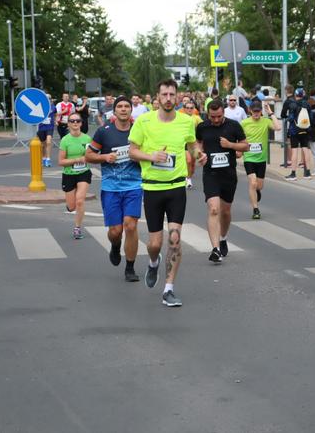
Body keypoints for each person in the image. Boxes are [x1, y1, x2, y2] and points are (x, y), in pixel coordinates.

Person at [128, 78, 205, 307]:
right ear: (157, 97)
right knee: (154, 243)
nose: (169, 99)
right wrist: (152, 156)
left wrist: (199, 153)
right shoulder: (144, 121)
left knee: (174, 239)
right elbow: (132, 151)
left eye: (172, 95)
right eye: (164, 95)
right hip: (152, 187)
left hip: (176, 187)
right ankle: (153, 262)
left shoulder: (186, 121)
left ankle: (168, 289)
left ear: (178, 96)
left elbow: (191, 144)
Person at [85, 96, 142, 282]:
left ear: (131, 110)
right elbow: (89, 155)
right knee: (116, 231)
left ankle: (130, 268)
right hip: (111, 187)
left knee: (131, 226)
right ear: (114, 111)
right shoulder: (104, 132)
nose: (124, 109)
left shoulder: (139, 130)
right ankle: (116, 246)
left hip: (134, 185)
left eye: (127, 106)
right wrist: (105, 158)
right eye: (120, 106)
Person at [196, 99, 248, 262]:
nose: (216, 120)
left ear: (223, 112)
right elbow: (197, 143)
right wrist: (200, 153)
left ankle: (223, 237)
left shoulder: (233, 126)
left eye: (218, 116)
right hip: (210, 174)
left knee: (225, 212)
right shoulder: (202, 126)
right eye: (212, 117)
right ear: (208, 114)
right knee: (213, 209)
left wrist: (230, 145)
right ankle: (215, 249)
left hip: (228, 175)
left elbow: (245, 146)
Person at [240, 101, 281, 219]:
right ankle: (255, 209)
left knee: (259, 186)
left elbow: (278, 127)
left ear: (261, 111)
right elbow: (237, 136)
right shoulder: (244, 123)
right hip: (249, 157)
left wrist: (270, 113)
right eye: (254, 111)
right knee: (252, 183)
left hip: (261, 159)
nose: (256, 113)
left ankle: (256, 191)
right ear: (250, 111)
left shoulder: (265, 121)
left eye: (258, 111)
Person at [58, 112, 92, 240]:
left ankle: (77, 228)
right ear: (68, 124)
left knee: (80, 201)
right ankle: (70, 205)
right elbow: (61, 161)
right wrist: (77, 159)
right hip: (69, 174)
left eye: (78, 121)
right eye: (72, 121)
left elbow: (91, 156)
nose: (75, 123)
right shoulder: (65, 140)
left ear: (81, 123)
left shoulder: (87, 139)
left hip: (84, 173)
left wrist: (89, 157)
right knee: (72, 207)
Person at [282, 88, 313, 181]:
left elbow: (291, 117)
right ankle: (307, 173)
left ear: (296, 95)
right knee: (305, 149)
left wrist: (287, 119)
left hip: (294, 130)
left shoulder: (293, 104)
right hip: (305, 129)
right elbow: (311, 117)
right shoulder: (307, 104)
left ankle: (293, 174)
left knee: (295, 151)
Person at [179, 99, 203, 189]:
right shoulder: (180, 117)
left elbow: (203, 125)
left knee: (192, 164)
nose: (189, 109)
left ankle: (189, 175)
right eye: (187, 108)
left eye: (191, 108)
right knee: (188, 160)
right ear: (184, 109)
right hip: (184, 142)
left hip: (193, 143)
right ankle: (187, 178)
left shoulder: (196, 118)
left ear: (193, 109)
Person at [38, 93, 56, 167]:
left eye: (49, 98)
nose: (48, 99)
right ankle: (44, 158)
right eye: (46, 98)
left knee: (48, 142)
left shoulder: (53, 107)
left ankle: (48, 159)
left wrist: (56, 120)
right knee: (43, 144)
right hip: (41, 127)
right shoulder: (40, 106)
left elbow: (56, 114)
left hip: (49, 127)